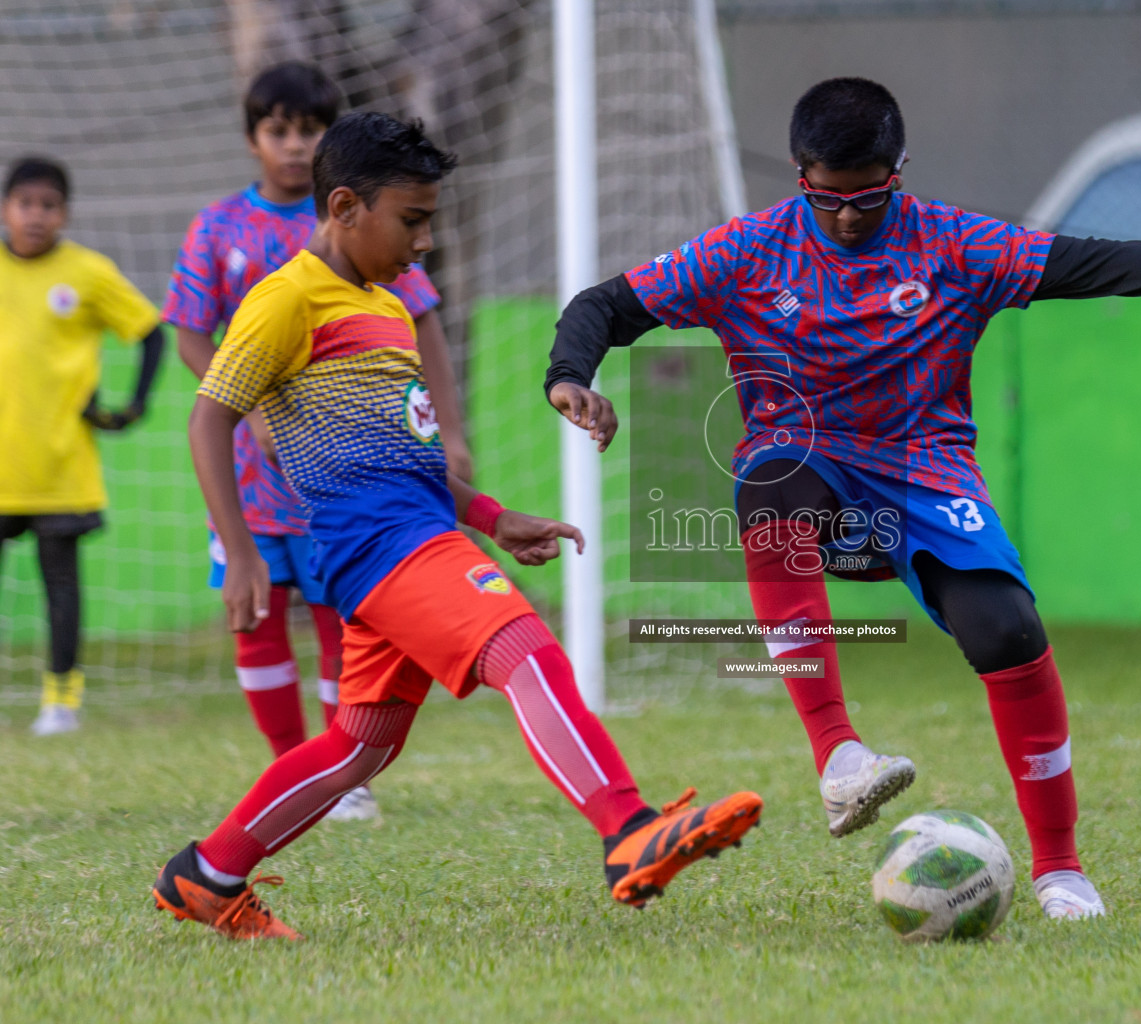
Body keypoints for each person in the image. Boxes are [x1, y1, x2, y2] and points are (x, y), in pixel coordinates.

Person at [543, 77, 1141, 921]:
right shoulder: (744, 252)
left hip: (923, 476)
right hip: (809, 480)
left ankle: (1061, 870)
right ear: (798, 174)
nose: (849, 215)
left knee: (1010, 631)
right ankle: (839, 757)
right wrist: (570, 379)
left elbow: (1093, 262)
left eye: (870, 195)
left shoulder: (955, 245)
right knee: (771, 477)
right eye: (829, 197)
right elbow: (606, 305)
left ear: (900, 171)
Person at [152, 112, 762, 941]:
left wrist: (490, 515)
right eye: (412, 219)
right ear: (343, 206)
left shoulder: (386, 308)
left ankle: (206, 874)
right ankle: (629, 831)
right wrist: (247, 547)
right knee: (525, 648)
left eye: (431, 219)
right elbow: (208, 420)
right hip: (382, 547)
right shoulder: (285, 298)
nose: (426, 240)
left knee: (360, 745)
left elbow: (406, 455)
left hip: (406, 539)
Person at [162, 62, 473, 821]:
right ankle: (290, 767)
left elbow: (423, 317)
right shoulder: (220, 228)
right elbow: (188, 334)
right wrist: (256, 408)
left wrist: (451, 431)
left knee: (346, 619)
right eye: (279, 129)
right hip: (250, 470)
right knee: (258, 619)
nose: (294, 145)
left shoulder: (365, 225)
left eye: (309, 131)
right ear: (252, 138)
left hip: (341, 475)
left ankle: (346, 777)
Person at [0, 156, 165, 736]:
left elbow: (150, 331)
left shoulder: (88, 272)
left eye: (48, 205)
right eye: (26, 203)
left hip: (61, 465)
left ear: (64, 213)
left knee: (61, 585)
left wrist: (132, 406)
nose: (36, 216)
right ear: (5, 208)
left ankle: (60, 699)